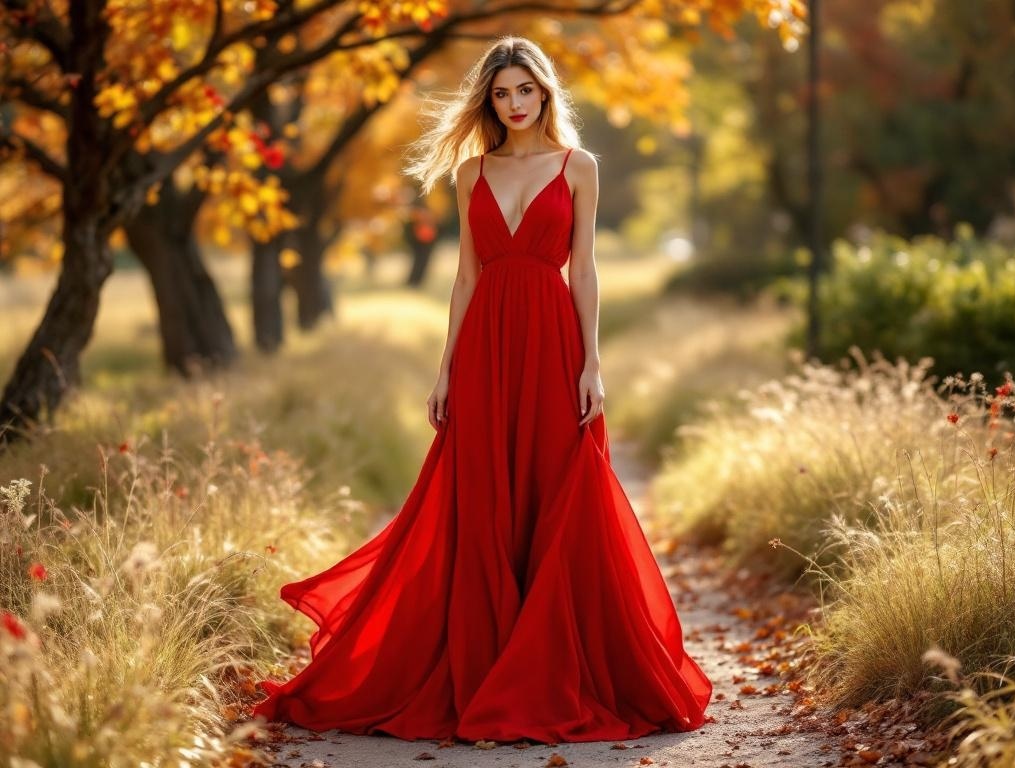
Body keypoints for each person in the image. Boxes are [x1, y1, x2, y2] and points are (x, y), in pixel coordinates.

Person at [252, 34, 712, 744]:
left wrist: (592, 364)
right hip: (486, 352)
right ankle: (485, 661)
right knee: (484, 500)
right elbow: (466, 276)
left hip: (553, 345)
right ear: (489, 101)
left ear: (546, 92)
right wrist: (445, 369)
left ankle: (550, 667)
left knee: (558, 489)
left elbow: (584, 270)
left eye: (524, 89)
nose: (515, 103)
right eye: (501, 93)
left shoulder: (578, 166)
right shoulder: (472, 174)